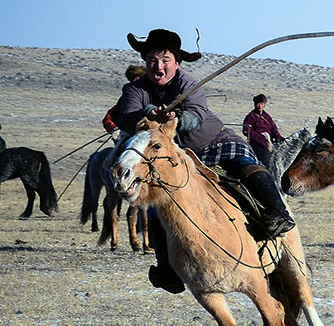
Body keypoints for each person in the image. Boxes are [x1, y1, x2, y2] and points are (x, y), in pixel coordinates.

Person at [117, 28, 296, 293]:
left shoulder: (189, 85)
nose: (159, 66)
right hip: (173, 160)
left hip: (214, 143)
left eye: (165, 60)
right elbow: (125, 116)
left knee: (249, 167)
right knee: (158, 208)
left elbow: (196, 116)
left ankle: (278, 214)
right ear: (145, 62)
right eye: (153, 60)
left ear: (176, 63)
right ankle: (166, 268)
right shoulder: (135, 89)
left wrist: (177, 117)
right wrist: (148, 113)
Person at [242, 94, 285, 168]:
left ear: (264, 105)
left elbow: (274, 128)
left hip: (270, 141)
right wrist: (260, 137)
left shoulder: (267, 116)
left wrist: (279, 137)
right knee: (265, 161)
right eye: (258, 104)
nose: (260, 106)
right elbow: (246, 130)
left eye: (262, 104)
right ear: (255, 104)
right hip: (257, 144)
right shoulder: (251, 116)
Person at [102, 65, 146, 133]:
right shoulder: (126, 97)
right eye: (134, 78)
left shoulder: (150, 94)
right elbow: (108, 119)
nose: (135, 81)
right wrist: (116, 131)